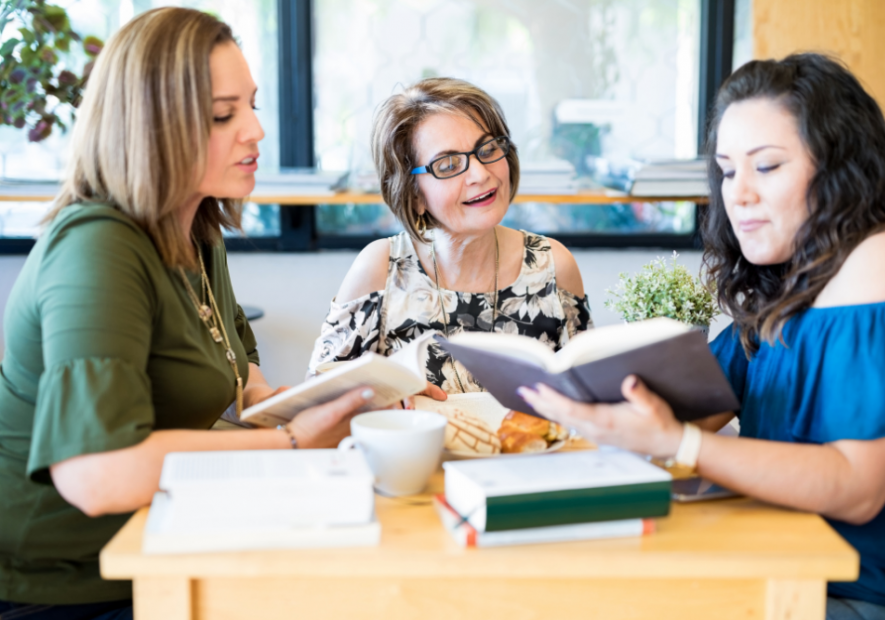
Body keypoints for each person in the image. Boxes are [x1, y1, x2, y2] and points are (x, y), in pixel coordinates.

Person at [518, 54, 885, 619]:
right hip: (788, 562)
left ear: (839, 168)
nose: (738, 195)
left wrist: (677, 443)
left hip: (866, 595)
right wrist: (575, 404)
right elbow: (697, 403)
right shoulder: (791, 273)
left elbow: (857, 488)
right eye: (728, 170)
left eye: (767, 167)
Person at [0, 8, 372, 618]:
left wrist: (355, 401)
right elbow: (97, 476)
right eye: (224, 115)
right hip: (63, 581)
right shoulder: (98, 247)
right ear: (151, 126)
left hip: (160, 539)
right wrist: (292, 444)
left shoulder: (196, 226)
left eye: (251, 104)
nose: (255, 129)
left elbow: (243, 382)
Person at [308, 78, 592, 397]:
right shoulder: (381, 269)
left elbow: (590, 397)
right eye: (448, 164)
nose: (481, 174)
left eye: (488, 149)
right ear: (413, 193)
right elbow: (316, 401)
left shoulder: (553, 264)